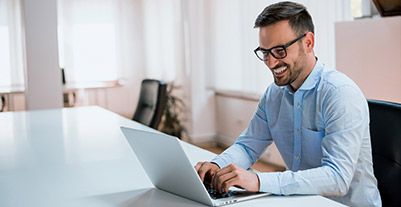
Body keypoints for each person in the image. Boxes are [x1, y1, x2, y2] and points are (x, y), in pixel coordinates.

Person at [195, 1, 381, 206]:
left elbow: (337, 178)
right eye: (265, 53)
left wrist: (258, 180)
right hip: (300, 201)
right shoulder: (274, 95)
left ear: (308, 42)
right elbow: (248, 147)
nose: (271, 63)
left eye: (280, 51)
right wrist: (216, 165)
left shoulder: (340, 94)